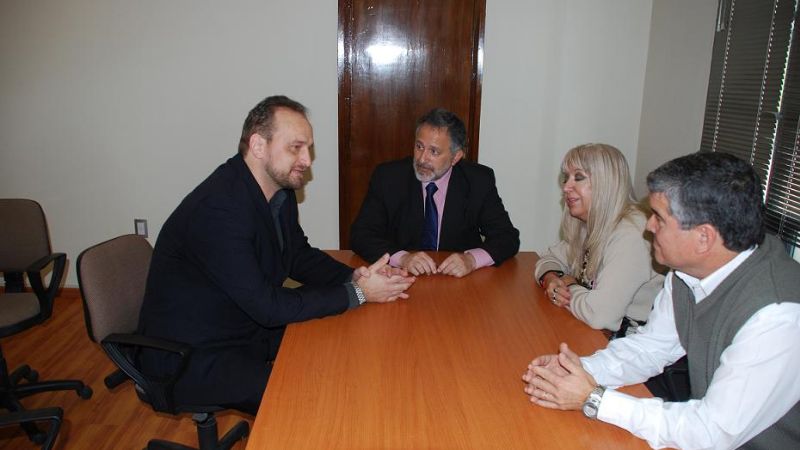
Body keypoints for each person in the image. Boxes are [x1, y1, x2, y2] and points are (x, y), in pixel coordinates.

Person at [139, 95, 415, 415]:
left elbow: (297, 255)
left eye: (308, 148)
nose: (307, 159)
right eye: (296, 147)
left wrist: (354, 276)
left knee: (337, 346)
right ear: (258, 146)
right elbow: (267, 307)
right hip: (191, 354)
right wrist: (357, 293)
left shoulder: (278, 191)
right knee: (305, 401)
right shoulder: (219, 209)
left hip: (237, 323)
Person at [522, 152, 800, 450]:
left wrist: (594, 399)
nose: (648, 226)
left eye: (659, 218)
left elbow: (712, 432)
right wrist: (580, 370)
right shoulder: (686, 271)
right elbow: (653, 347)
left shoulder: (777, 315)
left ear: (704, 237)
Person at [350, 108, 519, 277]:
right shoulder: (388, 177)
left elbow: (507, 237)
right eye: (419, 146)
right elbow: (361, 235)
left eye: (434, 151)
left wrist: (471, 260)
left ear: (456, 157)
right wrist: (402, 258)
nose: (422, 159)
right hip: (400, 277)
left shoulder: (478, 181)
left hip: (458, 282)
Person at [535, 143, 662, 336]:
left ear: (606, 183)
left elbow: (600, 315)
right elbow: (548, 258)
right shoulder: (588, 223)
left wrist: (569, 285)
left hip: (631, 345)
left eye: (578, 177)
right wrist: (552, 278)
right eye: (566, 178)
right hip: (595, 334)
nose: (566, 187)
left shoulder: (632, 233)